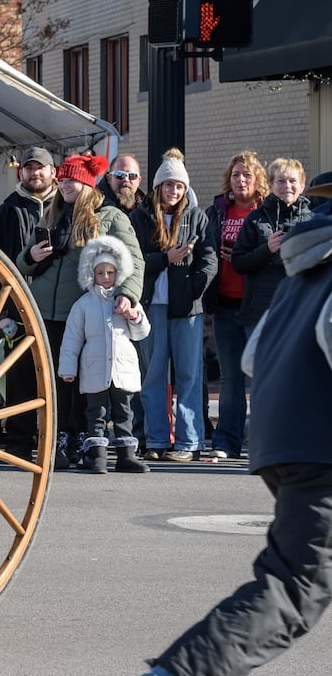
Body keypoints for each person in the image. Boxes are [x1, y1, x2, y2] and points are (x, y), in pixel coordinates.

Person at [102, 185, 332, 676]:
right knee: (296, 585)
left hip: (280, 432)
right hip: (319, 442)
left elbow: (254, 355)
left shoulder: (307, 264)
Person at [17, 153, 144, 469]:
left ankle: (82, 442)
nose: (64, 186)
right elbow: (22, 263)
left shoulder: (110, 217)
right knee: (54, 382)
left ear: (87, 183)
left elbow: (134, 260)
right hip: (45, 310)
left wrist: (127, 294)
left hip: (83, 313)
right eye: (61, 181)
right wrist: (30, 256)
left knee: (81, 383)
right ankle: (56, 441)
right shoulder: (52, 214)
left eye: (71, 180)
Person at [131, 149, 217, 463]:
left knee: (189, 375)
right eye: (168, 185)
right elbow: (134, 259)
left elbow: (209, 259)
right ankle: (156, 439)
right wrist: (165, 259)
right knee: (153, 375)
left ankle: (189, 442)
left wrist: (195, 289)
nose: (173, 190)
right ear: (158, 186)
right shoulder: (140, 217)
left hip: (187, 309)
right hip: (152, 304)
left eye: (179, 185)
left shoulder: (197, 216)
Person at [0, 146, 58, 457]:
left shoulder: (68, 208)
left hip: (58, 309)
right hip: (16, 310)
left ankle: (58, 438)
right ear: (20, 172)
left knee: (60, 377)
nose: (35, 173)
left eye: (41, 168)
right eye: (29, 168)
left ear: (53, 171)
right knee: (21, 378)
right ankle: (21, 442)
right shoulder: (6, 213)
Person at [56, 235, 151, 474]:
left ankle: (126, 455)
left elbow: (142, 332)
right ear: (92, 275)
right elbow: (72, 339)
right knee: (95, 414)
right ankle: (97, 455)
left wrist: (133, 316)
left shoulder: (127, 301)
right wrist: (67, 369)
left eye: (111, 272)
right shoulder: (83, 304)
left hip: (122, 368)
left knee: (123, 413)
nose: (106, 277)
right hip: (94, 368)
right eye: (101, 273)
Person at [202, 151, 268, 460]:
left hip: (256, 305)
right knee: (230, 377)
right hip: (225, 303)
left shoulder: (266, 211)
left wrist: (243, 257)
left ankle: (263, 439)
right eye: (235, 175)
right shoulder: (218, 212)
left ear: (257, 180)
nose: (240, 180)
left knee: (261, 374)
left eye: (247, 175)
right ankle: (227, 439)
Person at [232, 156, 314, 335]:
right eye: (281, 181)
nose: (287, 186)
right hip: (260, 313)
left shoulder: (313, 220)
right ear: (270, 185)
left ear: (302, 185)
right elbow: (238, 262)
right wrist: (267, 249)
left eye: (293, 181)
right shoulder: (255, 219)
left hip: (299, 311)